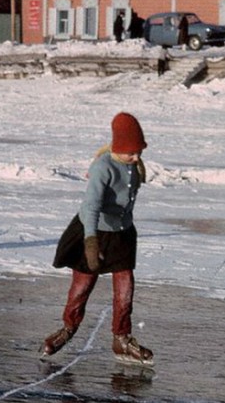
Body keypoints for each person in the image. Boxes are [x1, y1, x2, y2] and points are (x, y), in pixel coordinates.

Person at [41, 112, 153, 366]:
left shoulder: (134, 165)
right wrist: (90, 243)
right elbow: (90, 207)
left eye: (139, 152)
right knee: (82, 288)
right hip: (94, 232)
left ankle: (121, 339)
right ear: (119, 148)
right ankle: (67, 329)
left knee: (125, 291)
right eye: (131, 153)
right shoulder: (103, 167)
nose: (136, 158)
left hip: (122, 234)